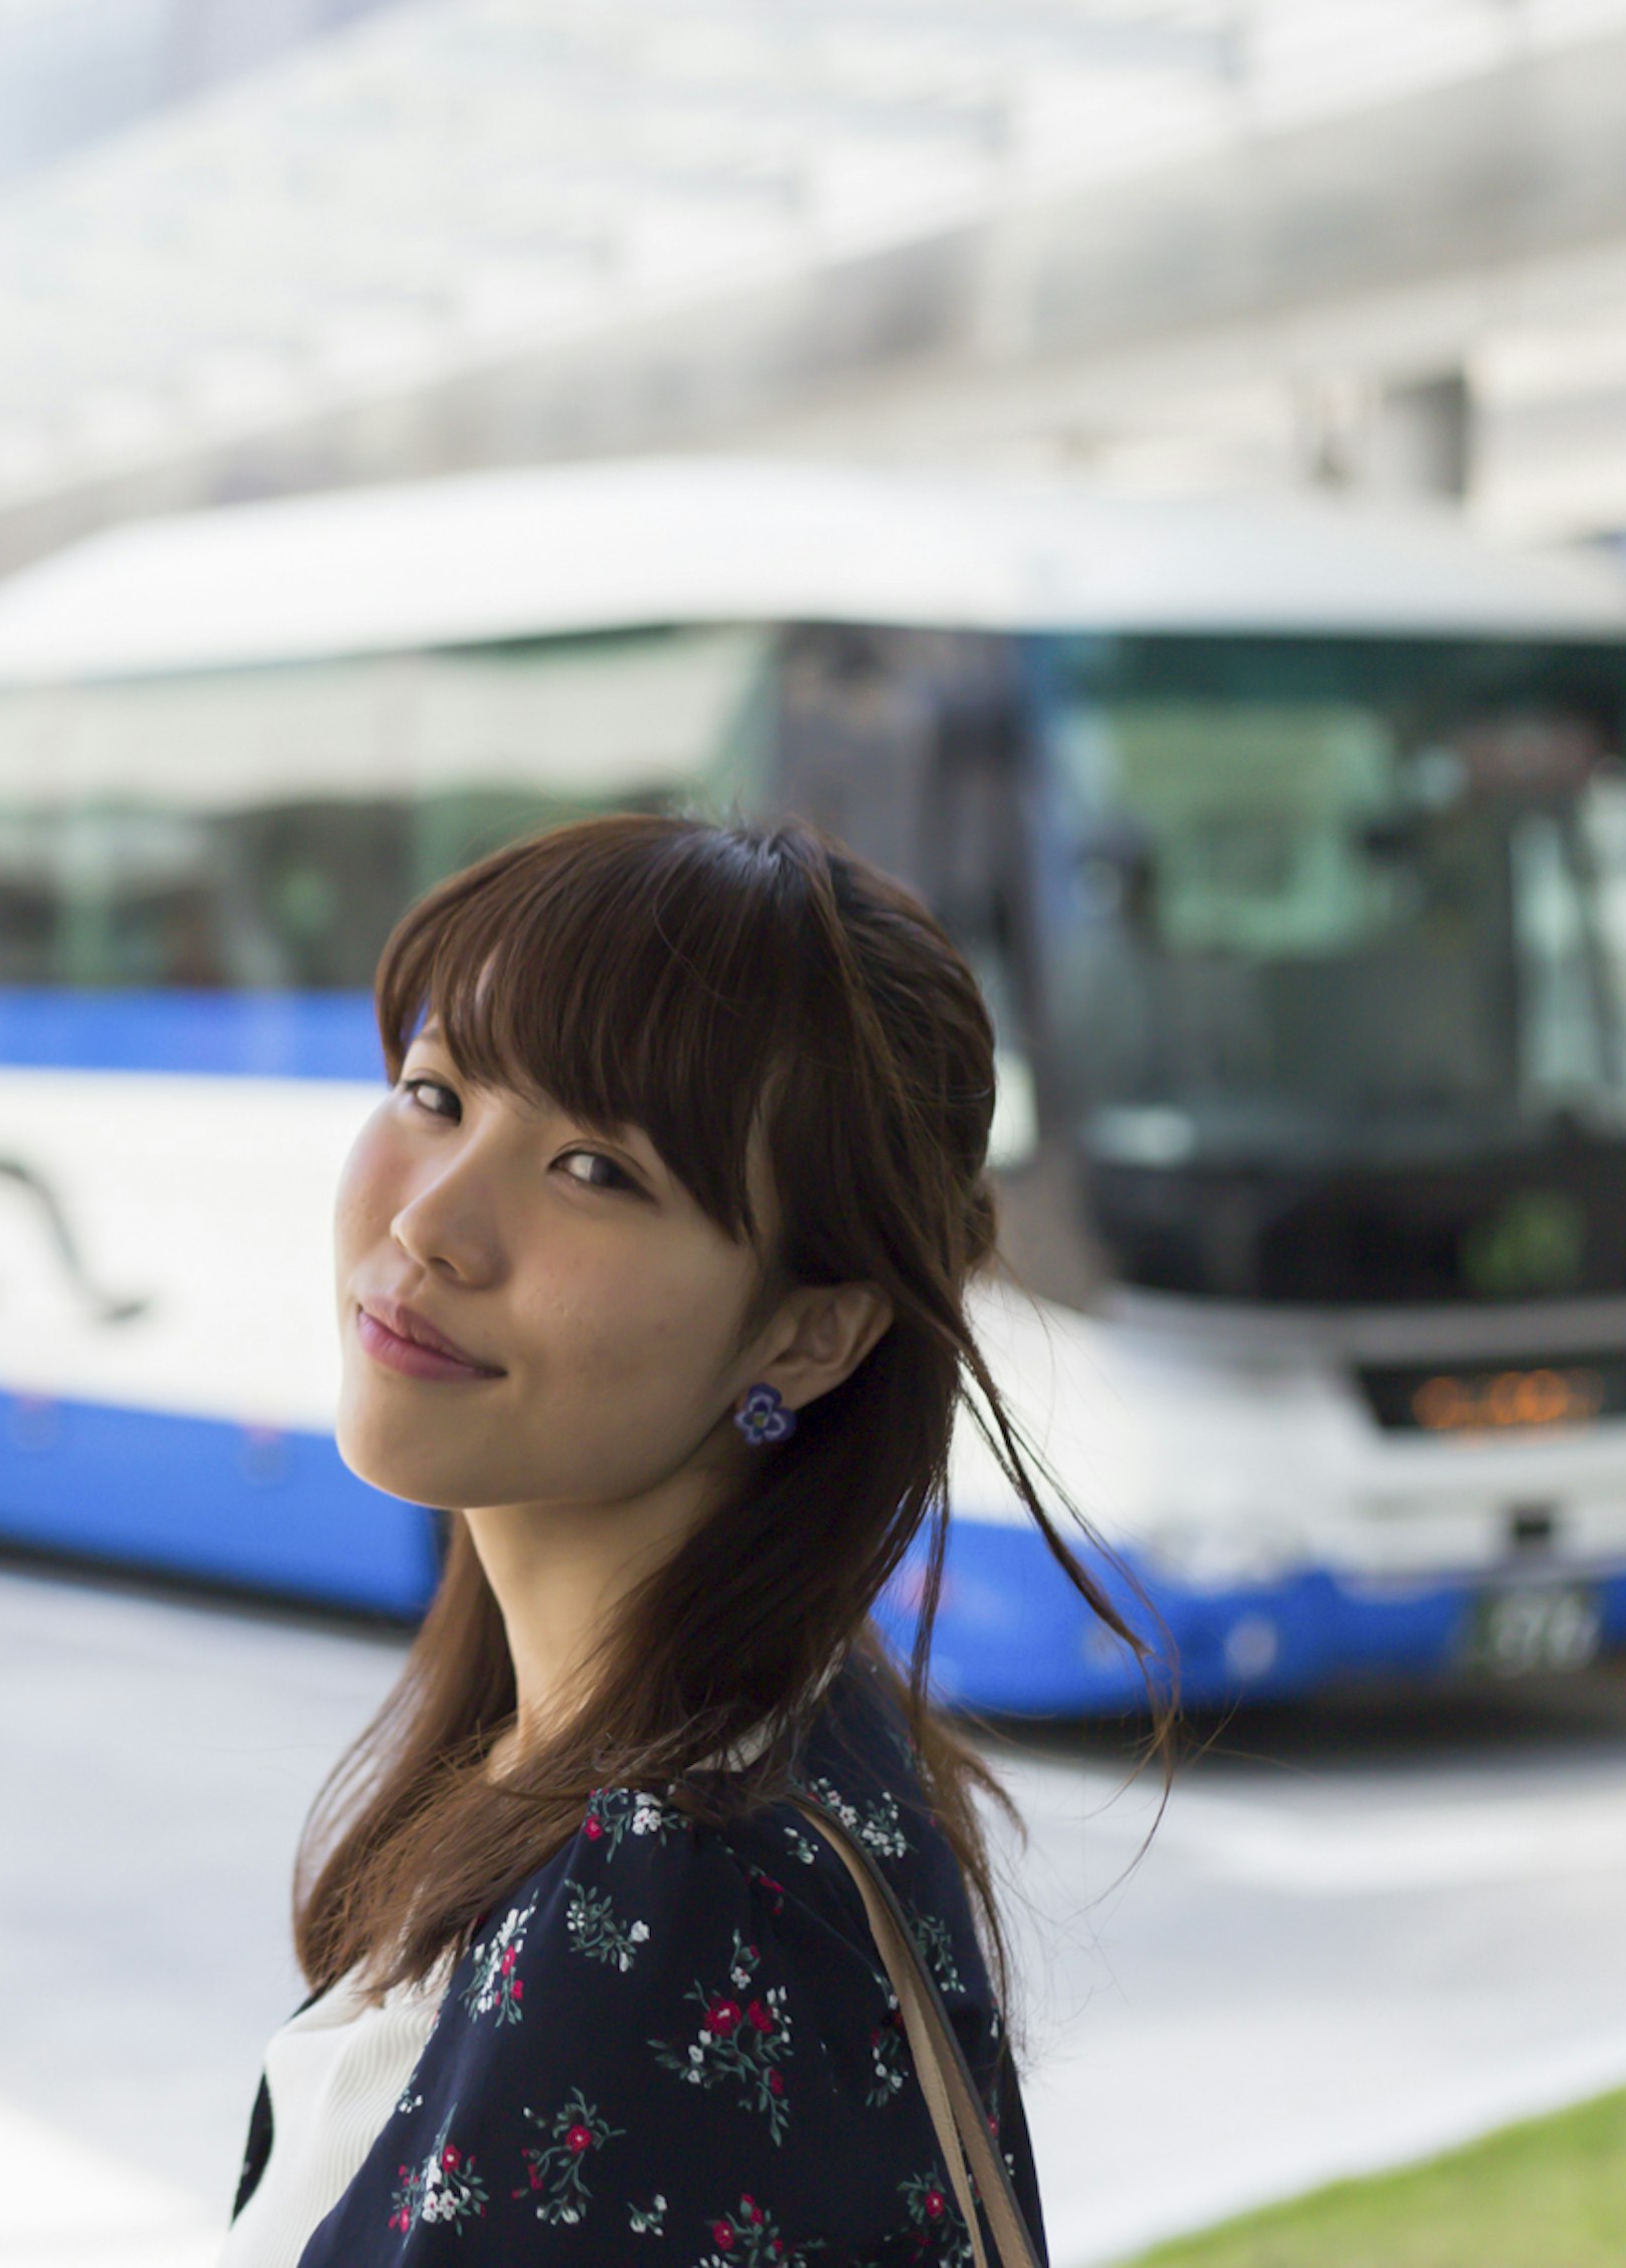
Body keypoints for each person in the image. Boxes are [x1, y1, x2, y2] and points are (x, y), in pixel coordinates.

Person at [223, 817, 1144, 2268]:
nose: (433, 1217)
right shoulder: (741, 1745)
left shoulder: (672, 1903)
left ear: (809, 1327)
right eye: (435, 1090)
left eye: (596, 1166)